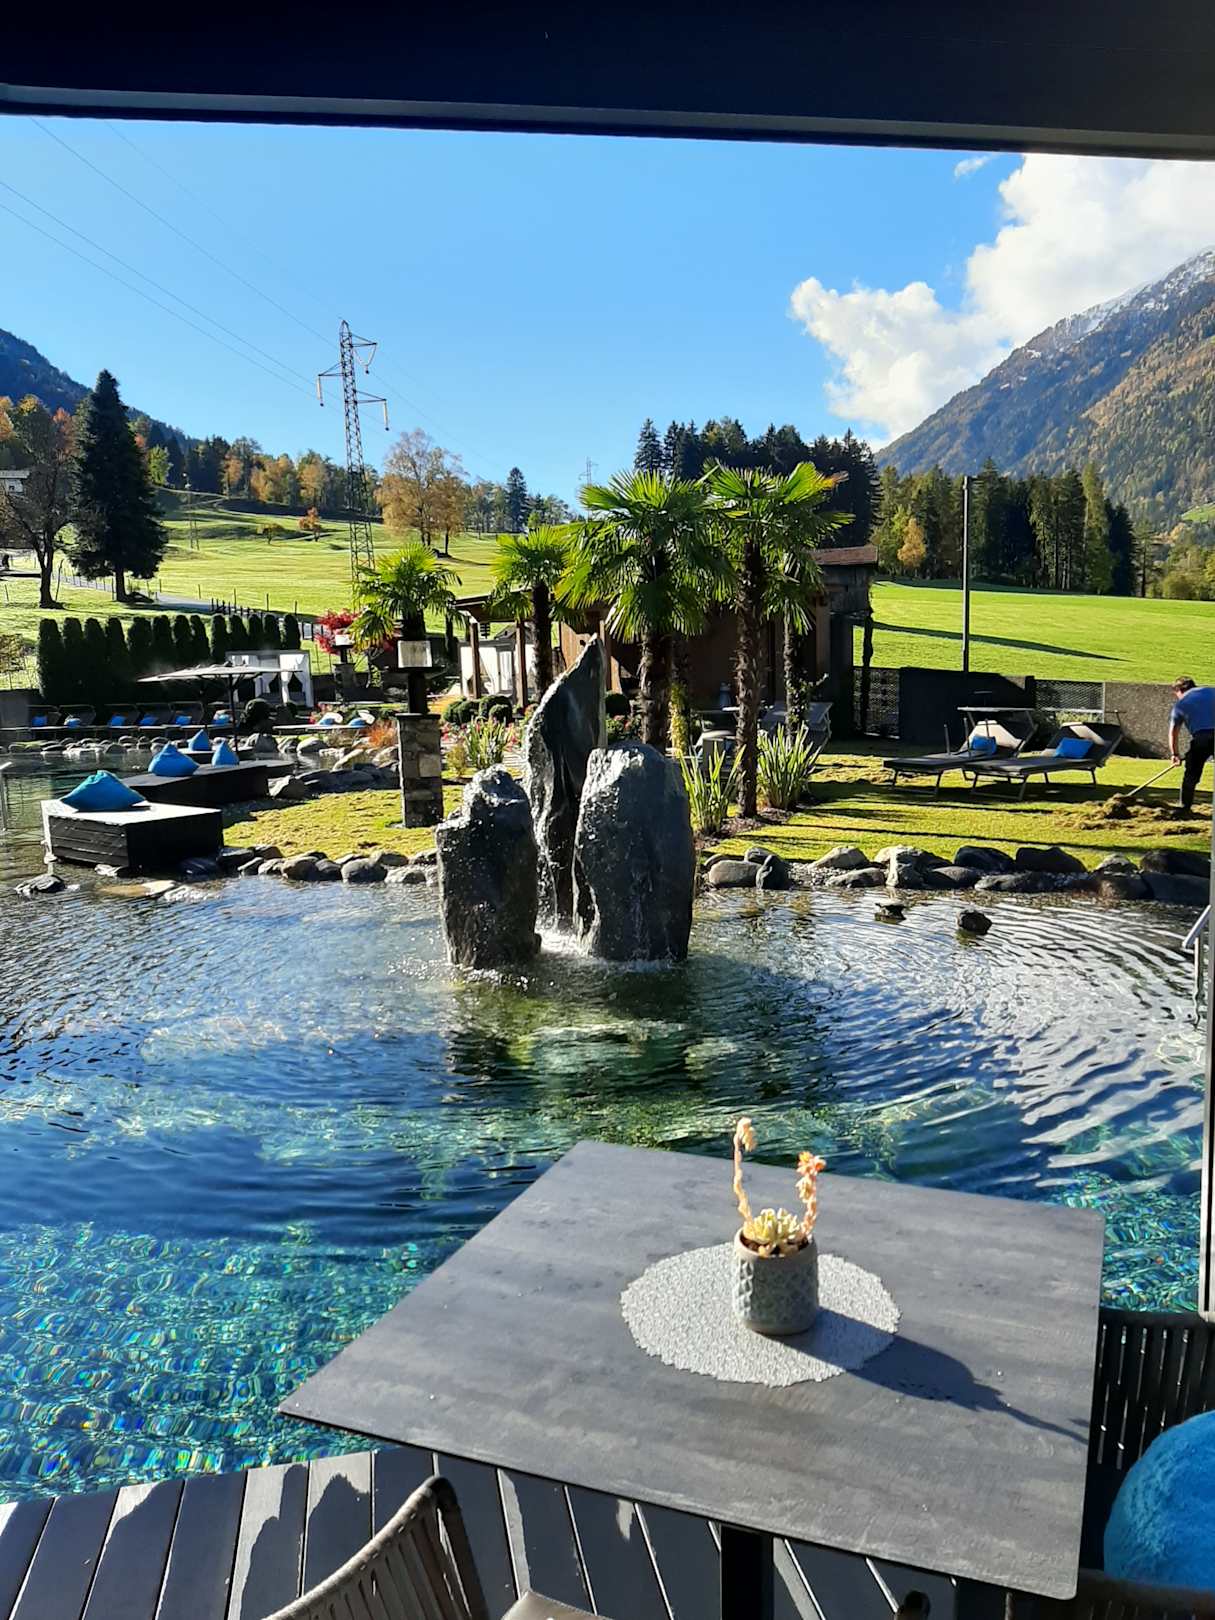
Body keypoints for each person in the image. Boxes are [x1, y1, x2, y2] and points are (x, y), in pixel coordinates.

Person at [1168, 676, 1214, 816]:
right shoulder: (1212, 691)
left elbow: (1173, 732)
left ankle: (1184, 807)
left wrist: (1175, 754)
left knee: (1191, 775)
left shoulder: (1180, 705)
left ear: (1179, 690)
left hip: (1202, 739)